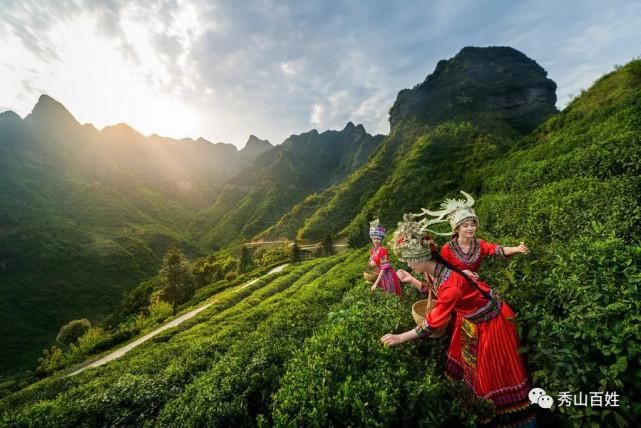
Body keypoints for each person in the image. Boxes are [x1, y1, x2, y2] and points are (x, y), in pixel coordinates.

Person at [381, 213, 535, 427]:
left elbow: (433, 323)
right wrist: (411, 280)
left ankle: (504, 417)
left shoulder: (451, 284)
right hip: (471, 318)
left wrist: (401, 337)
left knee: (492, 372)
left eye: (408, 261)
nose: (408, 265)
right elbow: (432, 291)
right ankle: (476, 408)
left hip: (492, 321)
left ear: (419, 258)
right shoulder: (433, 270)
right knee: (470, 364)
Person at [417, 191, 528, 280]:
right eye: (465, 226)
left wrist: (517, 249)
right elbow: (442, 272)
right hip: (455, 287)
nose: (470, 228)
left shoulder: (479, 244)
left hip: (475, 284)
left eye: (472, 225)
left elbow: (498, 249)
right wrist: (462, 273)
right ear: (456, 229)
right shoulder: (447, 248)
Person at [368, 218, 401, 295]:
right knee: (385, 293)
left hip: (388, 275)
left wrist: (375, 283)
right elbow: (371, 263)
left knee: (392, 293)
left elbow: (384, 268)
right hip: (380, 275)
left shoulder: (383, 250)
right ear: (372, 238)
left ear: (381, 240)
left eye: (378, 239)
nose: (376, 241)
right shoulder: (372, 251)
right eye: (374, 238)